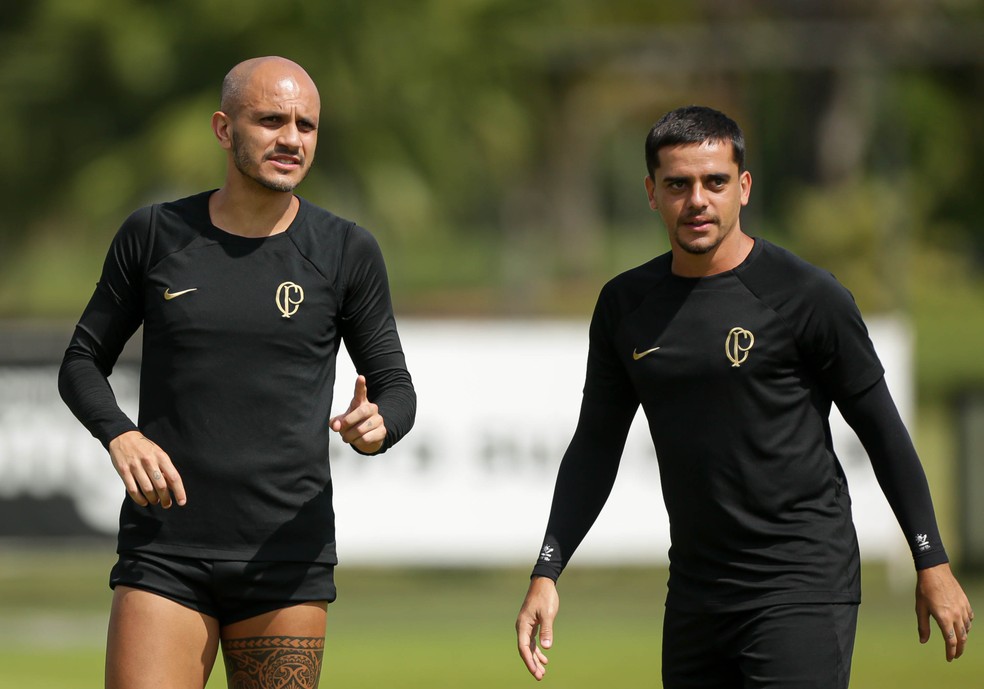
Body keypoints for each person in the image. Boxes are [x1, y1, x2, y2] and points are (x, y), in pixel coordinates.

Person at [515, 105, 973, 688]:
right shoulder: (625, 306)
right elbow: (595, 446)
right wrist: (548, 571)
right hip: (695, 593)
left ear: (744, 188)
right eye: (678, 184)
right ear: (651, 192)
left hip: (803, 584)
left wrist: (930, 559)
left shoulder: (809, 296)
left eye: (715, 182)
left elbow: (882, 430)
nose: (697, 200)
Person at [58, 56, 416, 689]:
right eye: (271, 120)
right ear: (224, 130)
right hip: (164, 549)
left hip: (287, 557)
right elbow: (82, 361)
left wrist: (379, 423)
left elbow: (396, 388)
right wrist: (121, 433)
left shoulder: (346, 249)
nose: (291, 139)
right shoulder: (154, 234)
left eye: (306, 124)